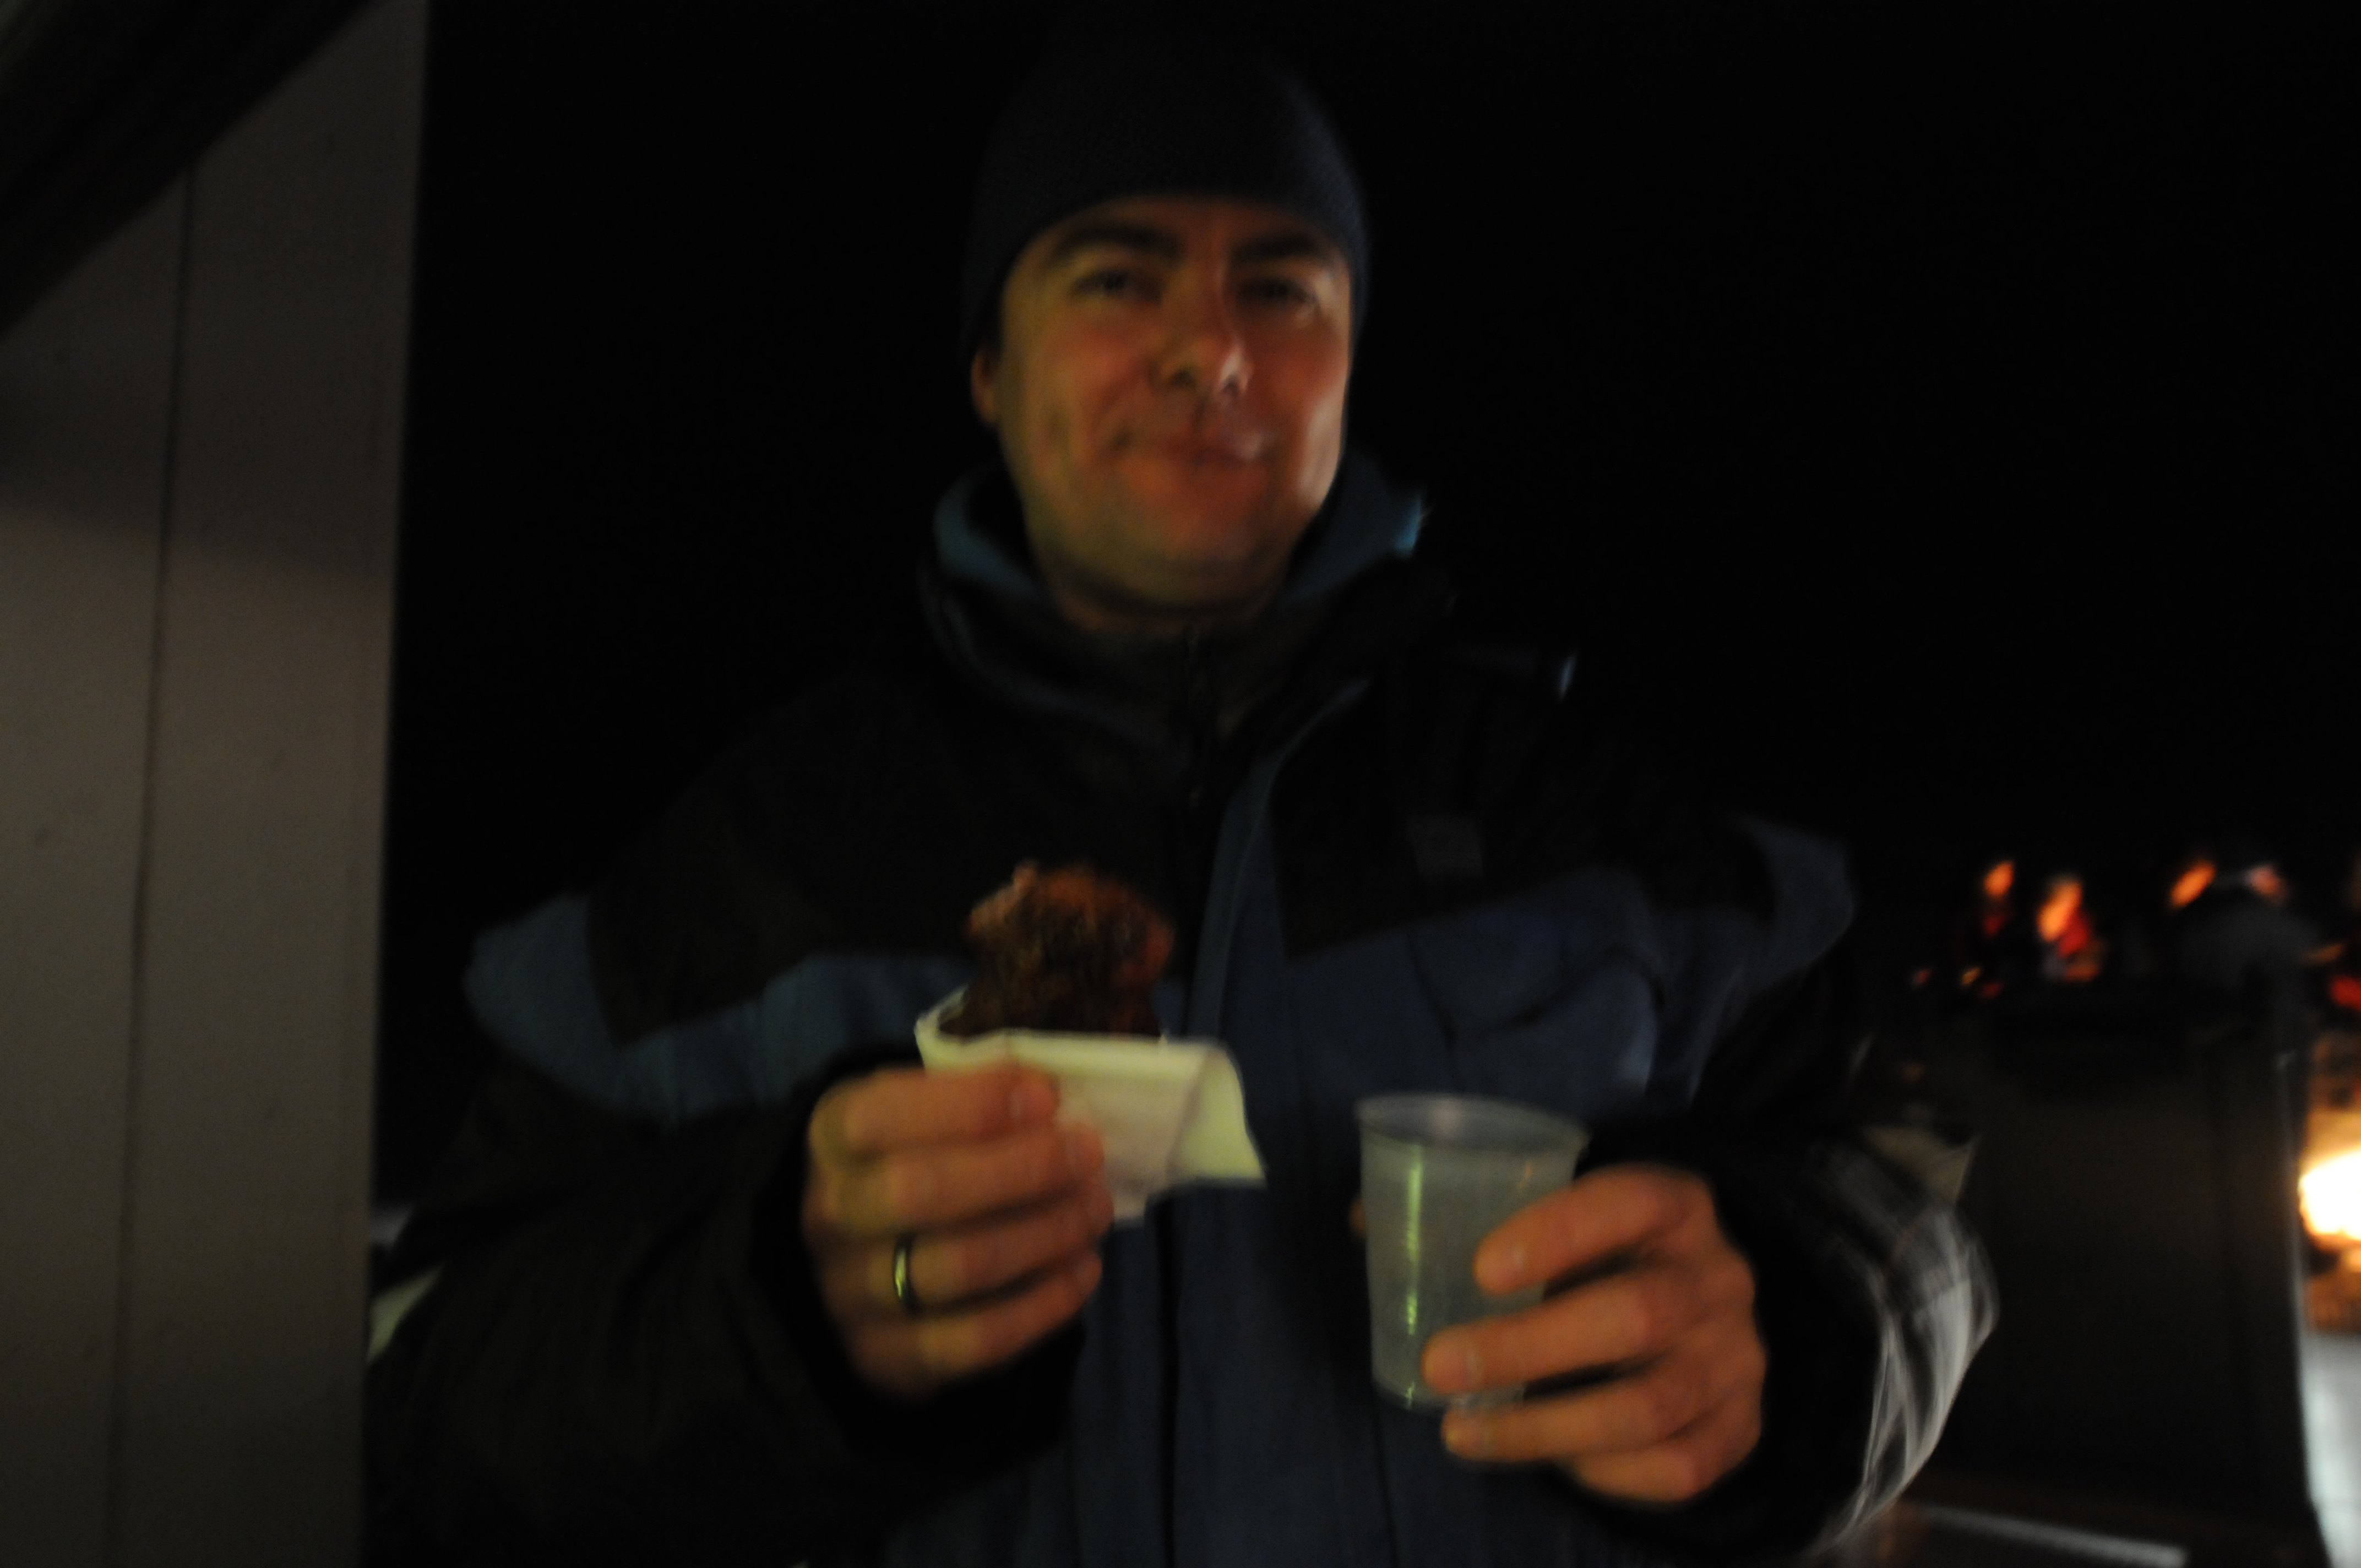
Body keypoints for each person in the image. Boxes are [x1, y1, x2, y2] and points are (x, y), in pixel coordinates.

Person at [365, 34, 1994, 1568]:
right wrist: (776, 1316)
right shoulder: (758, 850)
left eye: (1281, 289)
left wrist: (1804, 1335)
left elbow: (1901, 1204)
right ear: (990, 368)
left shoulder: (1601, 815)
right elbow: (431, 1389)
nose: (1211, 351)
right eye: (1117, 277)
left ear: (1347, 363)